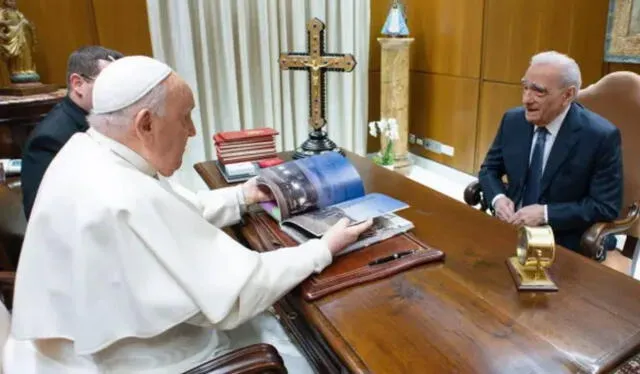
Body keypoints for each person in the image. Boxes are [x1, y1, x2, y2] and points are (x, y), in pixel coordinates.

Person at [4, 55, 373, 373]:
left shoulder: (89, 152)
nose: (193, 131)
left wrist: (244, 195)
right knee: (317, 352)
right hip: (149, 361)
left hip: (81, 351)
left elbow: (176, 213)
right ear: (144, 124)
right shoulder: (119, 194)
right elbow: (240, 293)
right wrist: (323, 248)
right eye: (185, 117)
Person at [478, 51, 622, 258]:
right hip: (509, 228)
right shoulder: (512, 120)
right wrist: (499, 199)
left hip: (564, 240)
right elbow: (489, 169)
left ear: (567, 95)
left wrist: (546, 214)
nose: (526, 99)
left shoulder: (600, 136)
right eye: (525, 87)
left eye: (539, 92)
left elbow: (604, 206)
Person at [21, 45, 123, 220]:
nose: (121, 93)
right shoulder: (49, 139)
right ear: (78, 84)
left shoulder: (113, 120)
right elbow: (44, 216)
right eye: (110, 84)